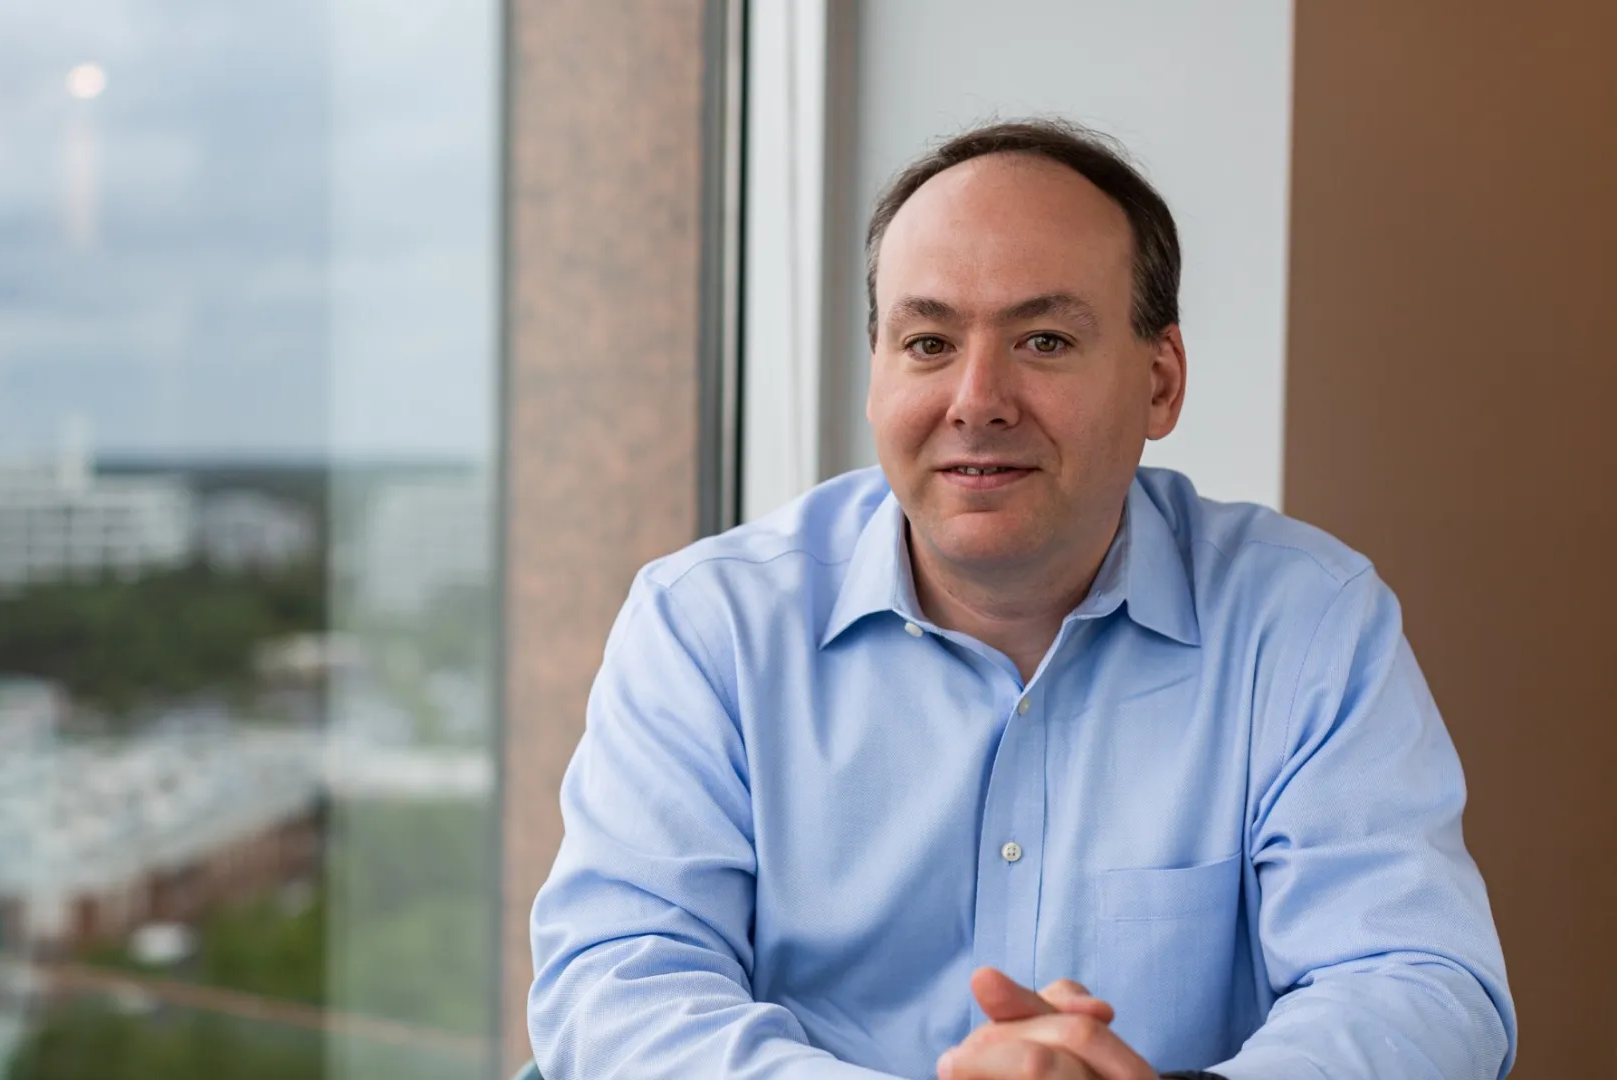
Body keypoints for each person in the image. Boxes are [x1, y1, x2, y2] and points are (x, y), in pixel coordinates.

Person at [527, 119, 1515, 1080]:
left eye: (1043, 340)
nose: (977, 399)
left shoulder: (1304, 620)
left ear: (1160, 381)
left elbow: (1419, 986)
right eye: (927, 343)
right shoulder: (710, 626)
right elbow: (616, 986)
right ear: (874, 376)